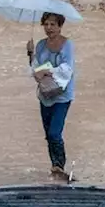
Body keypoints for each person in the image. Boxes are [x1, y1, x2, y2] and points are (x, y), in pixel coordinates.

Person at [30, 12, 75, 182]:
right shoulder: (40, 45)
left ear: (60, 26)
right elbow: (35, 69)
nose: (49, 28)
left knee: (55, 132)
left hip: (63, 96)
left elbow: (67, 69)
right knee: (48, 134)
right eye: (46, 24)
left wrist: (48, 70)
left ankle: (59, 166)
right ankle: (54, 166)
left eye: (53, 25)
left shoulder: (67, 45)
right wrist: (31, 54)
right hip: (45, 95)